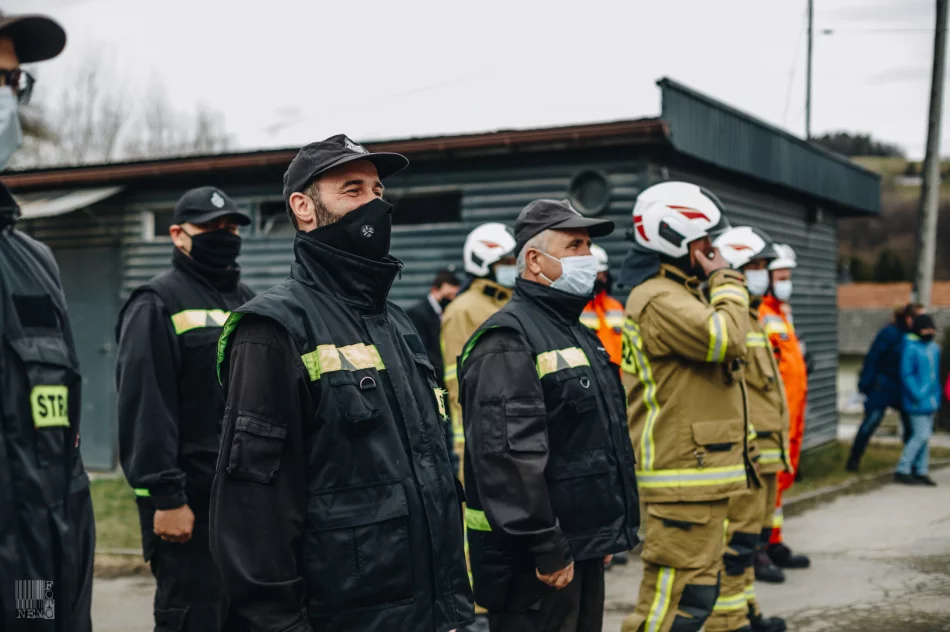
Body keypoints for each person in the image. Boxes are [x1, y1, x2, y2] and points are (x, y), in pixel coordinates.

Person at [211, 134, 473, 632]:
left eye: (377, 192)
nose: (375, 205)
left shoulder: (398, 324)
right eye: (352, 191)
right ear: (303, 208)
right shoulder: (272, 330)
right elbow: (252, 512)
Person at [459, 199, 639, 632]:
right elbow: (509, 461)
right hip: (537, 566)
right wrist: (545, 546)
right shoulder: (508, 340)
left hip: (579, 547)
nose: (588, 257)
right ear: (536, 261)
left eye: (589, 245)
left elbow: (594, 441)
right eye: (575, 245)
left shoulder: (577, 332)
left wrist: (602, 532)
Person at [116, 187, 254, 630]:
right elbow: (145, 407)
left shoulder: (248, 301)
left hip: (248, 500)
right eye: (211, 227)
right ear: (178, 234)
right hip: (190, 503)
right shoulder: (155, 302)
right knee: (195, 618)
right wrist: (166, 497)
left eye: (231, 227)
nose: (225, 235)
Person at [619, 182, 752, 632]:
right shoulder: (660, 297)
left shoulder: (680, 293)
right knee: (669, 599)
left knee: (696, 593)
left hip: (697, 475)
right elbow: (729, 337)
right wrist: (728, 282)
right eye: (705, 242)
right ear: (675, 237)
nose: (713, 252)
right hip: (681, 475)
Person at [0, 12, 96, 632]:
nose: (6, 98)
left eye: (12, 81)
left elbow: (58, 445)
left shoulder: (33, 262)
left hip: (35, 579)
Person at [708, 226, 791, 632]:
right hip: (745, 455)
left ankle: (747, 611)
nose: (762, 274)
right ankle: (731, 621)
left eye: (763, 266)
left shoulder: (754, 317)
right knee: (734, 546)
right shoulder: (726, 317)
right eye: (754, 266)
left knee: (750, 543)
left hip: (766, 451)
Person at [441, 222, 517, 471]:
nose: (512, 267)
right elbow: (459, 380)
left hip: (517, 423)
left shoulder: (508, 302)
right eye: (505, 262)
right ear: (483, 263)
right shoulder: (463, 310)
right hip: (483, 429)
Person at [758, 244, 810, 571]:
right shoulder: (762, 313)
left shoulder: (780, 313)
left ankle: (772, 541)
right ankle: (757, 548)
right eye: (781, 276)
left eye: (788, 277)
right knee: (764, 488)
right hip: (773, 416)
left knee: (778, 486)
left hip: (792, 414)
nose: (785, 282)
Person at [846, 303, 924, 472]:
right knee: (871, 422)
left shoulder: (914, 338)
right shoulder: (890, 333)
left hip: (902, 388)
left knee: (910, 426)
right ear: (909, 318)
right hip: (883, 386)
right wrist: (865, 385)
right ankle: (853, 461)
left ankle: (910, 464)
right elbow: (873, 358)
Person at [407, 267, 462, 468]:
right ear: (435, 290)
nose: (451, 299)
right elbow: (420, 352)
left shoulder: (450, 312)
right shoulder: (416, 313)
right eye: (448, 295)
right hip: (433, 386)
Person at [895, 313, 941, 486]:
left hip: (931, 399)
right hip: (916, 400)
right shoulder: (911, 348)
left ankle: (921, 470)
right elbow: (907, 374)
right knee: (920, 435)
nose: (929, 331)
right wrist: (917, 393)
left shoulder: (934, 348)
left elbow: (935, 374)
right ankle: (903, 468)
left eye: (931, 328)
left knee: (925, 436)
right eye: (925, 328)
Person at [580, 244, 624, 366]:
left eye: (605, 273)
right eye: (599, 274)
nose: (604, 279)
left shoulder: (616, 306)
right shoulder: (574, 308)